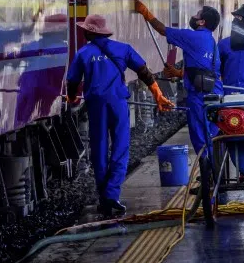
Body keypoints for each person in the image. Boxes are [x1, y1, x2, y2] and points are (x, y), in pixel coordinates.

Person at [66, 14, 172, 216]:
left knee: (98, 149)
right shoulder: (123, 49)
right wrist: (158, 95)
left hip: (96, 105)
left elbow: (72, 82)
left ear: (89, 32)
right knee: (121, 148)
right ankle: (112, 194)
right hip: (118, 103)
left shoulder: (83, 53)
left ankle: (104, 197)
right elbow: (143, 71)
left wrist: (72, 99)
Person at [132, 0, 221, 161]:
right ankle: (213, 176)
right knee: (213, 138)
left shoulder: (193, 36)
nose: (194, 16)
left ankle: (208, 178)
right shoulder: (212, 41)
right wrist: (179, 73)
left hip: (199, 97)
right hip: (215, 94)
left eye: (197, 15)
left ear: (202, 22)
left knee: (200, 140)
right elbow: (206, 69)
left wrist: (146, 13)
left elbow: (162, 30)